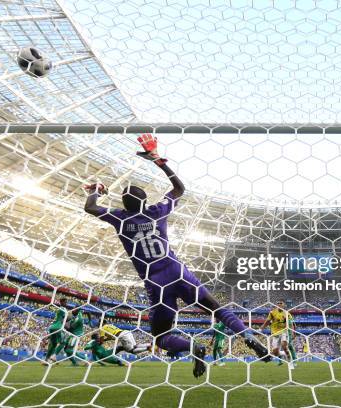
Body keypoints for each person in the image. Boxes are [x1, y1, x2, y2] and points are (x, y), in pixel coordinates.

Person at [83, 134, 269, 378]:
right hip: (177, 271)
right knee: (216, 309)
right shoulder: (157, 211)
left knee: (161, 337)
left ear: (124, 205)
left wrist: (97, 190)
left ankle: (194, 347)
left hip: (155, 283)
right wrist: (158, 161)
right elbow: (179, 189)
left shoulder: (119, 218)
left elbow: (90, 207)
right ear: (145, 201)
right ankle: (248, 336)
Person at [261, 300, 294, 369]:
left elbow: (291, 324)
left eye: (280, 303)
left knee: (284, 346)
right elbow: (267, 321)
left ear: (284, 305)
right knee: (275, 352)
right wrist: (262, 328)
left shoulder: (287, 313)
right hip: (275, 333)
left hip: (284, 331)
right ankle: (285, 354)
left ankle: (290, 363)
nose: (279, 304)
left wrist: (293, 332)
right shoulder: (272, 312)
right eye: (278, 303)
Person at [43, 298, 69, 366]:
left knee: (53, 344)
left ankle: (46, 360)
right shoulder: (64, 309)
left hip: (52, 327)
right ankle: (53, 356)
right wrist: (68, 326)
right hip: (58, 327)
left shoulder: (58, 309)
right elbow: (66, 319)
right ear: (62, 302)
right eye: (65, 302)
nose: (66, 304)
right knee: (63, 342)